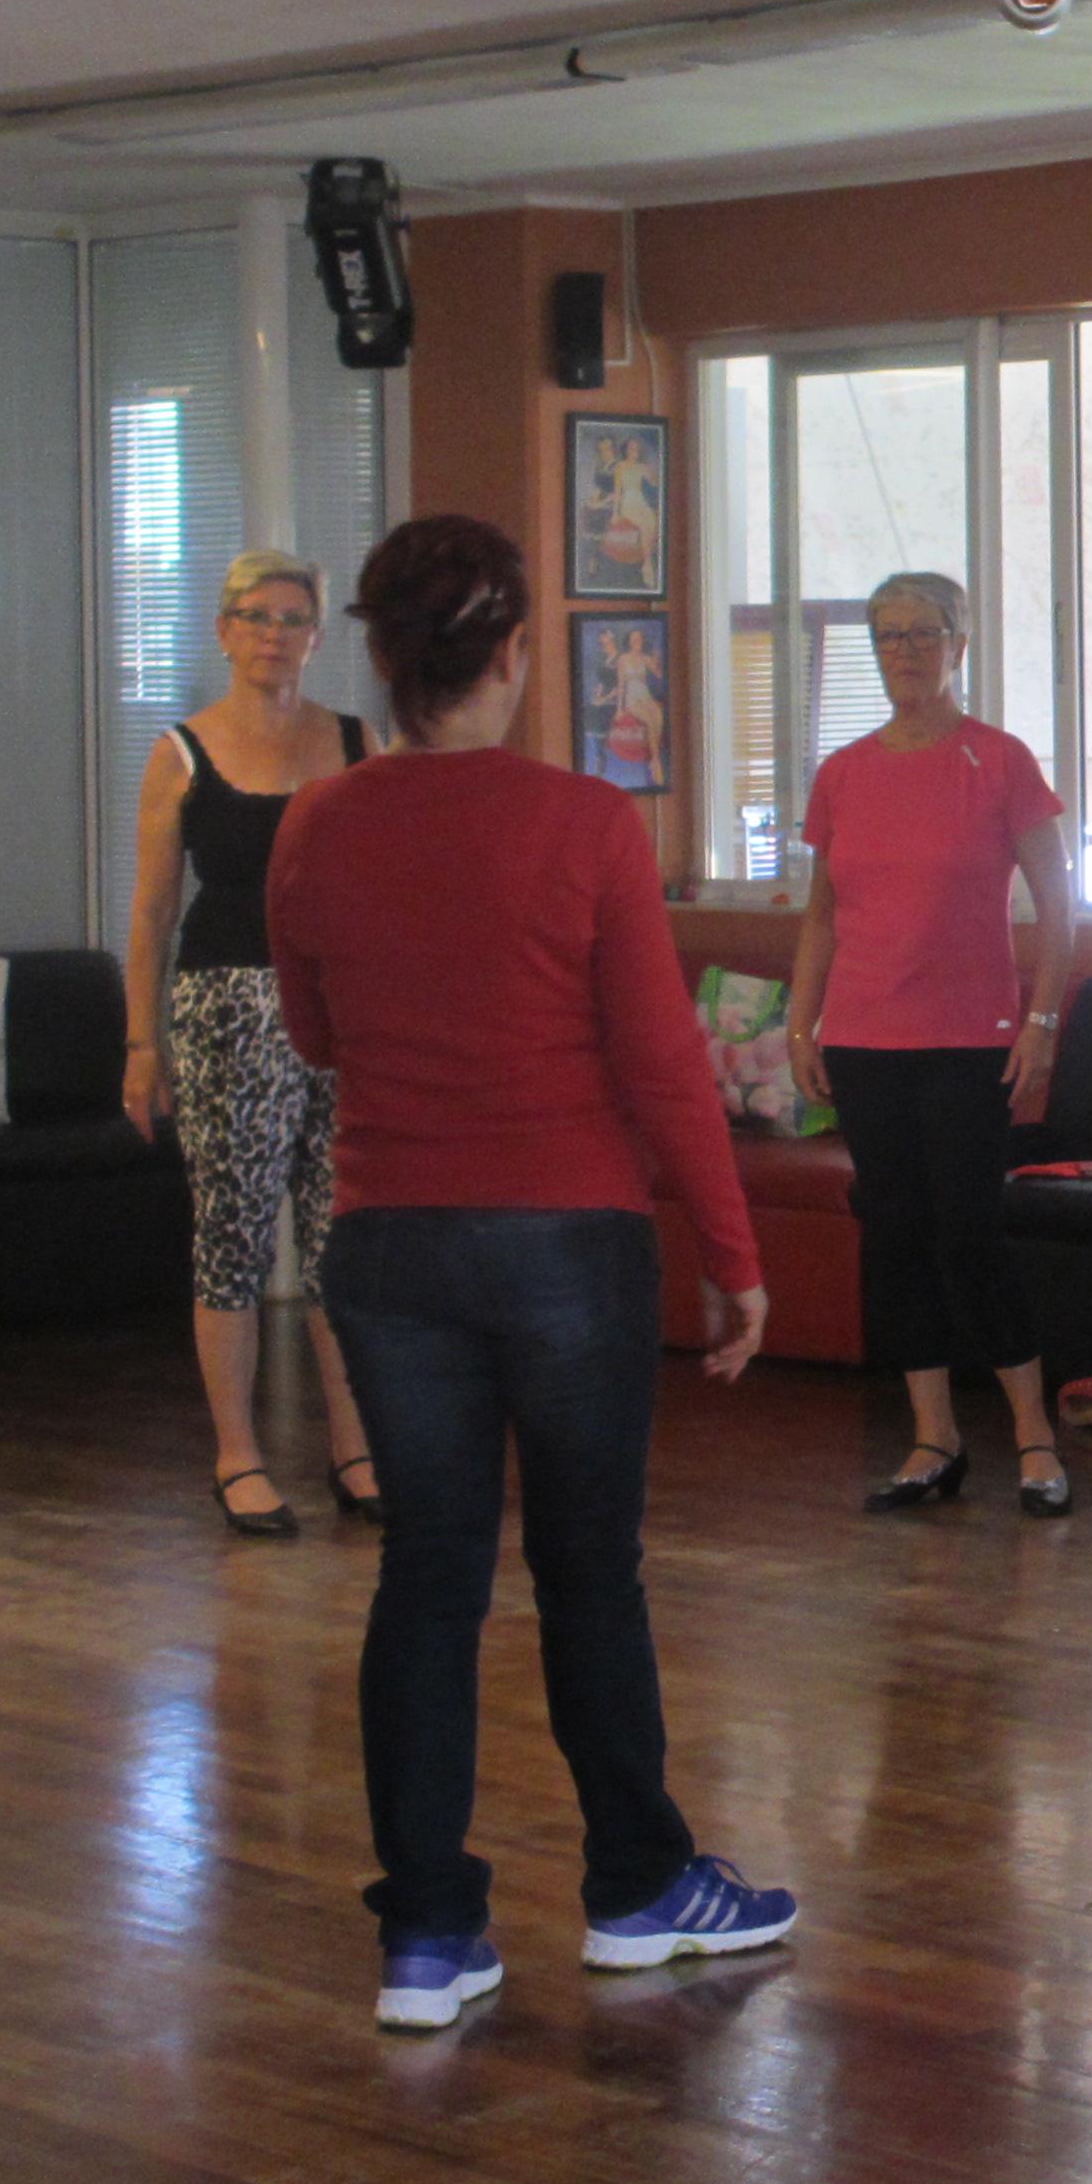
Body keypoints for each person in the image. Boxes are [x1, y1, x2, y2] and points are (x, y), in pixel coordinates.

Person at [269, 514, 793, 2032]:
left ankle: (429, 1940)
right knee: (587, 1574)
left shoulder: (314, 826)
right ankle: (636, 1888)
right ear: (513, 654)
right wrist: (734, 1254)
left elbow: (313, 1035)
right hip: (570, 1240)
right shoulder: (586, 823)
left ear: (382, 658)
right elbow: (663, 1064)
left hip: (388, 1245)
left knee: (427, 1580)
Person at [783, 574, 1083, 1517]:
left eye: (924, 633)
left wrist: (1041, 1021)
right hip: (863, 1039)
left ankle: (1033, 1437)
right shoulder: (843, 773)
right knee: (896, 1236)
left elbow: (1059, 907)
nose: (905, 651)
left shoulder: (999, 761)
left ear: (960, 644)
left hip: (969, 1040)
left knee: (969, 1233)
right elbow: (822, 916)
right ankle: (933, 1438)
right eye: (888, 635)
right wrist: (800, 1023)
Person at [120, 549, 377, 1538]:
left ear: (317, 636)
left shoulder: (356, 741)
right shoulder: (182, 751)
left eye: (292, 617)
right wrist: (141, 1045)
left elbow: (390, 884)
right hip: (224, 1007)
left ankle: (354, 1447)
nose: (274, 634)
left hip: (342, 1009)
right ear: (224, 631)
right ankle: (239, 1454)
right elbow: (151, 912)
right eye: (256, 616)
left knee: (341, 1234)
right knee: (232, 1233)